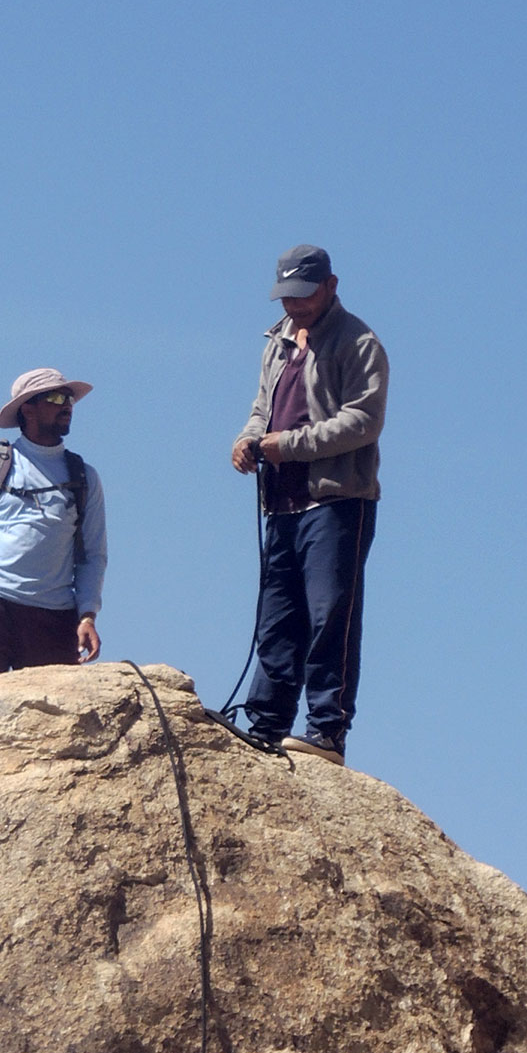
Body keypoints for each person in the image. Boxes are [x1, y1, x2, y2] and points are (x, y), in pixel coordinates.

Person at [228, 244, 387, 763]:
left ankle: (327, 729)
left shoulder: (358, 342)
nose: (293, 305)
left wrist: (287, 445)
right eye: (286, 296)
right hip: (281, 502)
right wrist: (249, 439)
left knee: (329, 616)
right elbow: (262, 408)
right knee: (276, 617)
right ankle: (266, 722)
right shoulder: (275, 342)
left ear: (330, 286)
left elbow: (362, 422)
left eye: (303, 294)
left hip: (336, 501)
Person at [0, 369, 107, 676]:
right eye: (56, 398)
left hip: (54, 619)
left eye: (69, 398)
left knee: (57, 722)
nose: (67, 405)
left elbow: (93, 556)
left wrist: (87, 615)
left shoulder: (84, 478)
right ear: (27, 409)